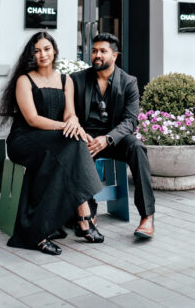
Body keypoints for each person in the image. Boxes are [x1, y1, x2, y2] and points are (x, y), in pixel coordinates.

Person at [0, 31, 105, 255]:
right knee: (71, 144)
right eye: (37, 51)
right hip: (24, 139)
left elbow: (69, 114)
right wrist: (64, 127)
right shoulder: (24, 80)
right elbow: (32, 119)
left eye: (46, 49)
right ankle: (82, 216)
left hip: (53, 139)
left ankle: (71, 219)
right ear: (32, 55)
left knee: (74, 142)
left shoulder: (66, 80)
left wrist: (74, 123)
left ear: (54, 51)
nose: (42, 54)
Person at [72, 33, 156, 240]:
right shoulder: (77, 79)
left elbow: (130, 121)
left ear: (114, 55)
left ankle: (147, 217)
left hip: (114, 138)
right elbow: (70, 113)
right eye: (94, 51)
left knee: (137, 148)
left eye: (103, 51)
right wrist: (83, 134)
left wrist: (108, 138)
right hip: (87, 138)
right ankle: (88, 213)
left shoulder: (128, 82)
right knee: (77, 150)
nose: (97, 55)